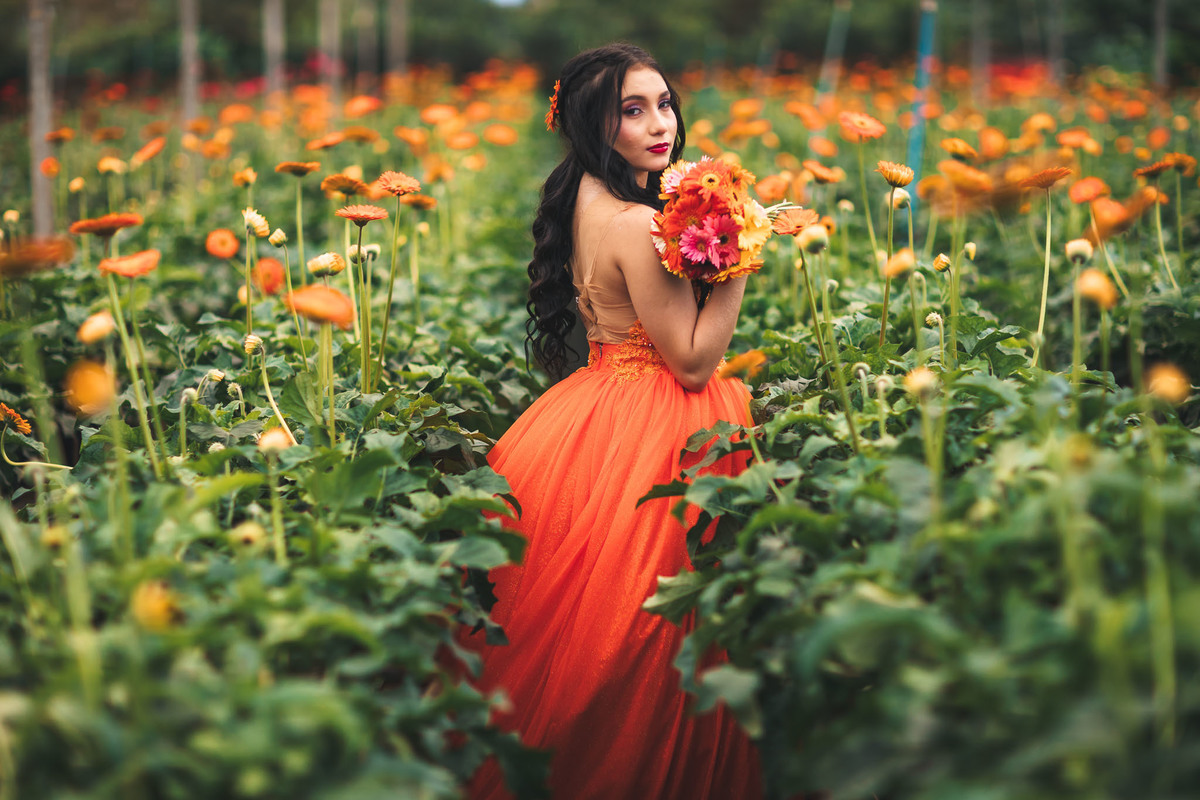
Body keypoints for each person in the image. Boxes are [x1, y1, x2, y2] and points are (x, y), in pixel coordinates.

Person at [460, 43, 763, 799]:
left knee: (597, 620)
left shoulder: (584, 197)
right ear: (596, 125)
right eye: (633, 111)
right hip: (660, 419)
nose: (661, 125)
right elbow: (691, 361)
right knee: (650, 631)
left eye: (664, 104)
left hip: (595, 403)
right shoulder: (633, 223)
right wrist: (741, 256)